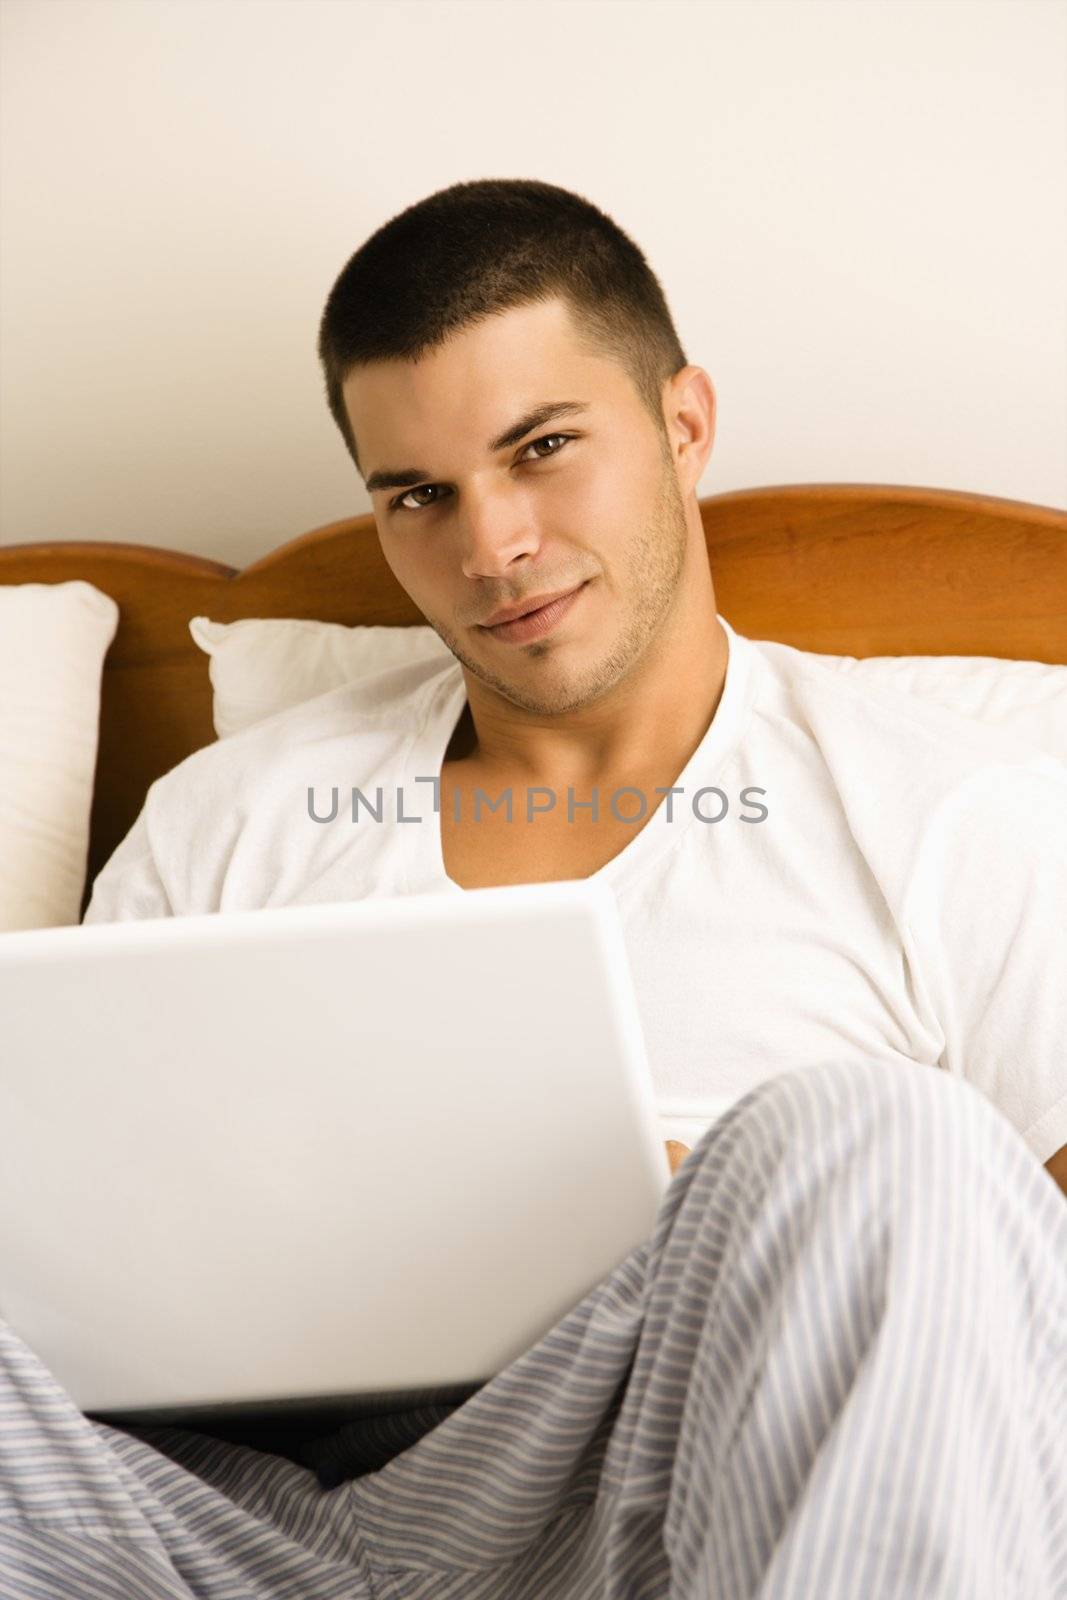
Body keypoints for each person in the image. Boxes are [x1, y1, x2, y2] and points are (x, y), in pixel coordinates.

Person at [1, 178, 1065, 1598]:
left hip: (667, 1484)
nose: (488, 547)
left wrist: (705, 1221)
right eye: (418, 495)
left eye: (544, 448)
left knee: (879, 1140)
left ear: (684, 425)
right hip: (216, 1523)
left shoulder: (951, 810)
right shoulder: (228, 821)